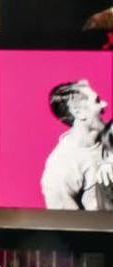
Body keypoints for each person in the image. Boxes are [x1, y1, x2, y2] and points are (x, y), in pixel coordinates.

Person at [40, 78, 113, 210]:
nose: (104, 104)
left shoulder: (109, 135)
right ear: (78, 112)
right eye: (97, 101)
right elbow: (67, 225)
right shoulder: (61, 166)